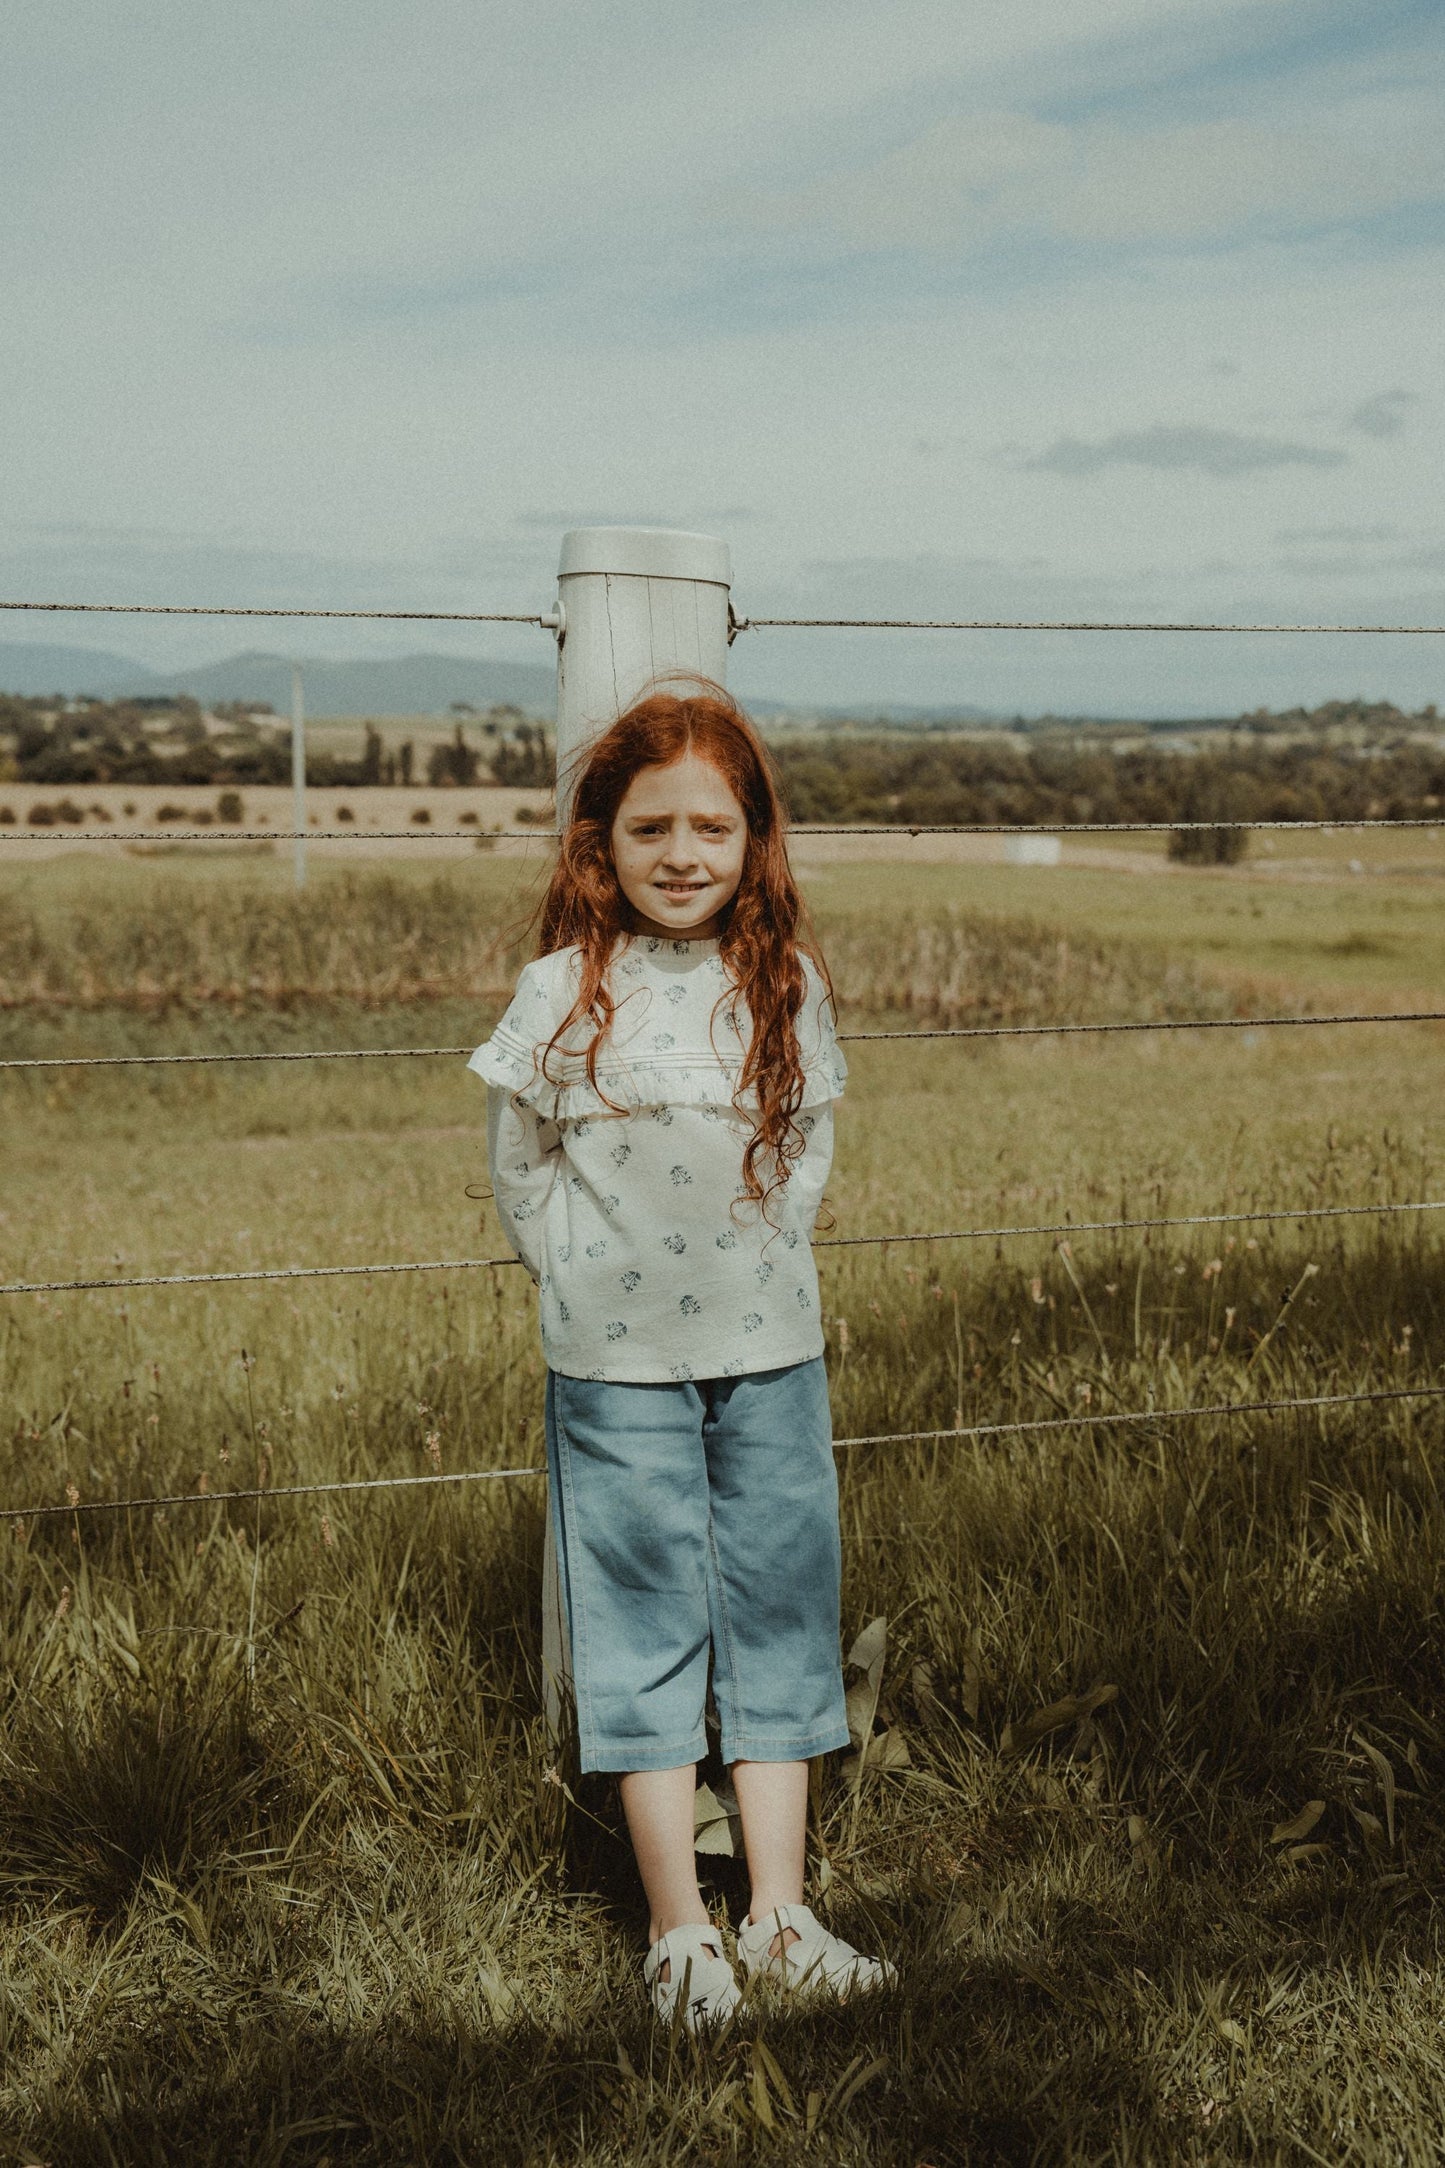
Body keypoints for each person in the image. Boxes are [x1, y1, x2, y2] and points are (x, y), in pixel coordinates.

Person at [469, 682, 894, 2030]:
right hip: (612, 1370)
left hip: (769, 1352)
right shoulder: (560, 991)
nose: (681, 853)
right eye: (649, 826)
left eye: (712, 825)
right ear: (598, 843)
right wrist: (588, 1290)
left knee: (778, 1611)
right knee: (642, 1626)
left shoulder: (784, 984)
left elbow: (808, 1153)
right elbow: (521, 1173)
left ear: (751, 839)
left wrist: (757, 1268)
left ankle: (776, 1915)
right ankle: (679, 1934)